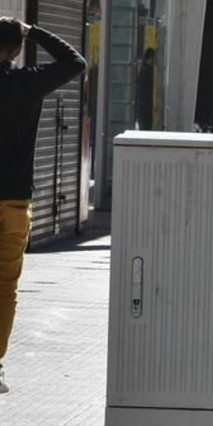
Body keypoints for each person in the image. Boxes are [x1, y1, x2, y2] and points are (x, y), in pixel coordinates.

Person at [0, 17, 86, 393]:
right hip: (14, 203)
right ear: (17, 50)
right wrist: (33, 30)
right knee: (4, 288)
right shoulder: (27, 83)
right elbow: (75, 63)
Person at [135, 48, 155, 130]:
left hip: (143, 108)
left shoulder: (143, 70)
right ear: (150, 58)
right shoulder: (146, 72)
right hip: (146, 110)